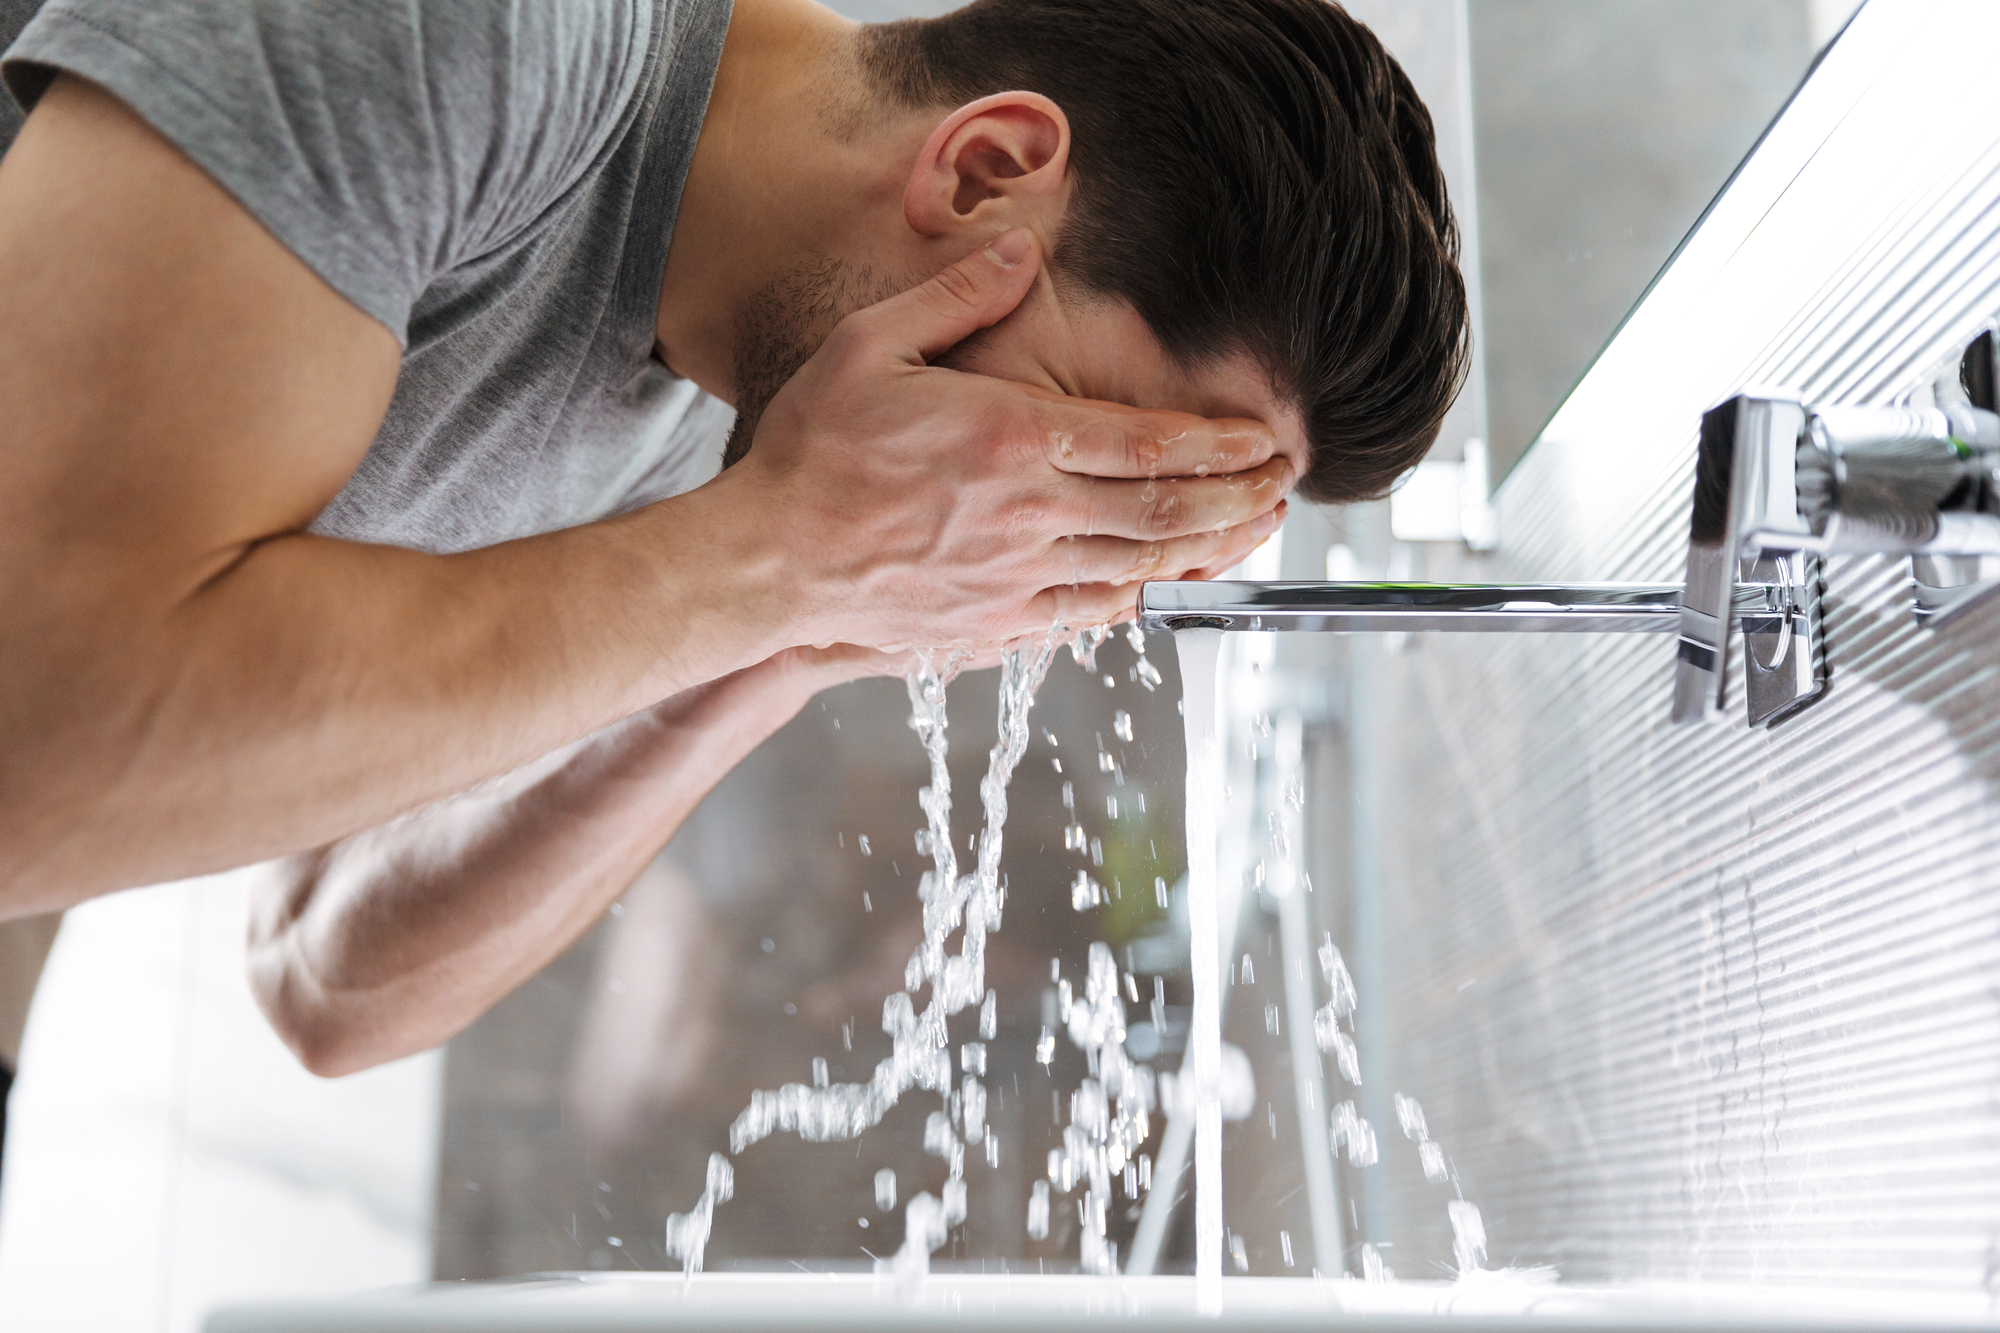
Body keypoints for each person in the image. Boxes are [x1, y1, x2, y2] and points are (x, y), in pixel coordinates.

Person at [0, 0, 1467, 1072]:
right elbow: (29, 758)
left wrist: (794, 631)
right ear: (983, 172)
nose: (1025, 535)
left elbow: (328, 975)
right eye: (1073, 458)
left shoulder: (754, 437)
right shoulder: (482, 38)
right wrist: (774, 561)